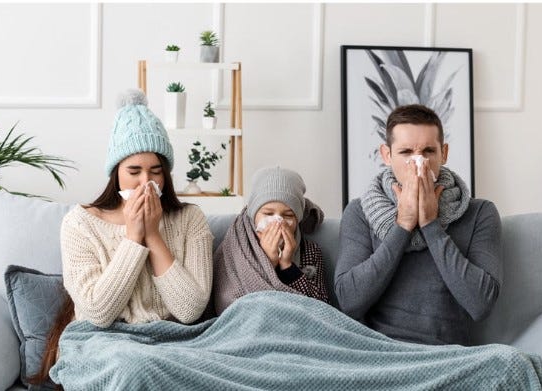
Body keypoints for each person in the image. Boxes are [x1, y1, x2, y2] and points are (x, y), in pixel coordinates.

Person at [30, 89, 213, 387]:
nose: (146, 182)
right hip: (102, 342)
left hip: (175, 341)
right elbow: (97, 313)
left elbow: (190, 310)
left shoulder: (190, 219)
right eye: (134, 171)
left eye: (156, 171)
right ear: (116, 173)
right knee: (134, 367)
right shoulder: (80, 224)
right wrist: (133, 237)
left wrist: (153, 234)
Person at [335, 104, 502, 346]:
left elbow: (481, 304)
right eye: (406, 152)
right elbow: (349, 301)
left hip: (448, 355)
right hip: (377, 353)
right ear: (386, 155)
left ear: (443, 153)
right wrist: (403, 225)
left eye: (428, 151)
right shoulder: (360, 212)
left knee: (513, 362)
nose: (418, 163)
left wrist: (431, 224)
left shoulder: (480, 213)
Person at [213, 166, 329, 314]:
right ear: (254, 215)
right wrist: (268, 263)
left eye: (288, 215)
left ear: (298, 218)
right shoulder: (236, 246)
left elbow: (322, 307)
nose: (278, 221)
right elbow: (227, 302)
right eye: (268, 213)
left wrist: (287, 265)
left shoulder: (310, 252)